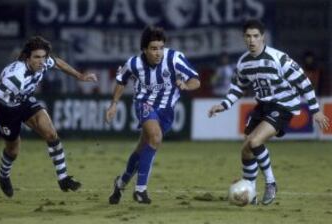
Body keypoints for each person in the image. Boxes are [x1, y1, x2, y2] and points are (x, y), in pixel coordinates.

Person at [208, 20, 330, 205]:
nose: (252, 40)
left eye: (256, 36)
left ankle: (271, 183)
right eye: (248, 36)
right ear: (244, 38)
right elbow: (238, 88)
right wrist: (223, 105)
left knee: (255, 141)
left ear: (262, 37)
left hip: (283, 105)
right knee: (246, 149)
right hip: (263, 106)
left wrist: (315, 110)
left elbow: (304, 82)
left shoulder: (278, 59)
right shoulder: (243, 62)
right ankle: (251, 192)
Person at [0, 36, 98, 197]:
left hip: (25, 101)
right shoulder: (15, 78)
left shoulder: (43, 63)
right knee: (13, 150)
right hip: (6, 109)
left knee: (51, 133)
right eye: (37, 57)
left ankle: (63, 178)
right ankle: (3, 175)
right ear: (26, 57)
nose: (41, 61)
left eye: (43, 57)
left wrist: (80, 76)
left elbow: (57, 62)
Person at [105, 26, 200, 204]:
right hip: (144, 104)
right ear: (144, 49)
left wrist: (187, 86)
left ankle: (120, 183)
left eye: (160, 48)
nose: (158, 53)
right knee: (155, 138)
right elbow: (121, 81)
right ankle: (141, 190)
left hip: (167, 110)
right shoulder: (134, 63)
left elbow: (196, 79)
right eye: (154, 49)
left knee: (143, 147)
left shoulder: (174, 58)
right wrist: (114, 105)